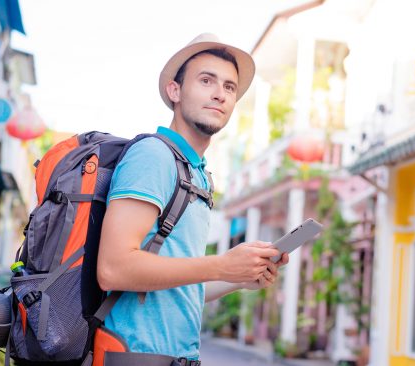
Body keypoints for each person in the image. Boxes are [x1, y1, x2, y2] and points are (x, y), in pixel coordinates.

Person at [96, 33, 289, 362]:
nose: (220, 94)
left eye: (230, 87)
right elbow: (113, 269)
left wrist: (238, 278)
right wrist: (221, 264)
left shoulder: (197, 174)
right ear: (175, 91)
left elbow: (182, 288)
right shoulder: (153, 157)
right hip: (134, 355)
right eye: (206, 80)